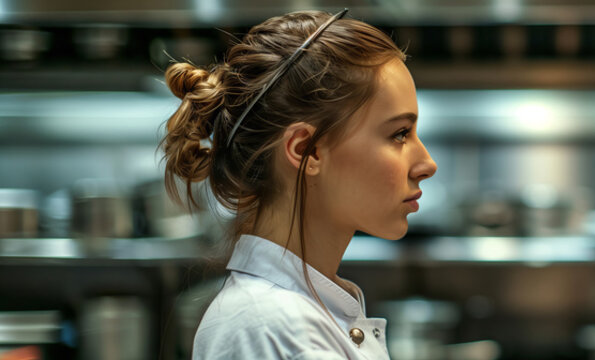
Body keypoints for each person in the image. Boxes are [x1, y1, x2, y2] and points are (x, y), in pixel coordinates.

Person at [160, 9, 436, 359]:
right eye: (399, 134)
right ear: (306, 149)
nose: (427, 164)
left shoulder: (298, 316)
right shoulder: (270, 329)